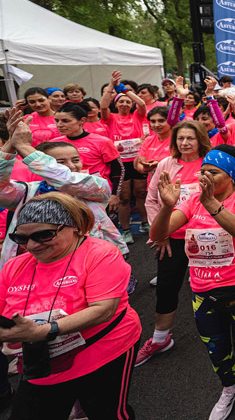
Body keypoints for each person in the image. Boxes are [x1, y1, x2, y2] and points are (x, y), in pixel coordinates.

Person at [149, 145, 235, 420]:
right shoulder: (192, 201)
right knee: (216, 349)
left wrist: (211, 203)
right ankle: (231, 385)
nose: (205, 177)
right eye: (203, 172)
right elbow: (159, 233)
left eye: (213, 172)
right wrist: (167, 207)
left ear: (231, 174)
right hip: (204, 292)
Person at [0, 193, 141, 419]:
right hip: (41, 364)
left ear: (74, 226)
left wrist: (43, 331)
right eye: (22, 239)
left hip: (100, 352)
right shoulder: (14, 267)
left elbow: (104, 309)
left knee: (107, 413)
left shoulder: (100, 254)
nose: (32, 246)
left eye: (44, 235)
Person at [0, 113, 128, 266]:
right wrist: (11, 144)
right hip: (38, 261)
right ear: (39, 166)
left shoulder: (95, 185)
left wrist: (24, 146)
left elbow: (65, 180)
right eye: (60, 162)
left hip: (89, 259)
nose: (72, 166)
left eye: (75, 159)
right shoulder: (29, 191)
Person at [137, 120, 212, 366]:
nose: (184, 143)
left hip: (205, 238)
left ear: (200, 139)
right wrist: (161, 234)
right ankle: (160, 338)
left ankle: (217, 330)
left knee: (210, 287)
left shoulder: (211, 163)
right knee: (167, 287)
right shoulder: (166, 164)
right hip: (172, 240)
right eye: (180, 139)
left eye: (190, 138)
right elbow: (151, 200)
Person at [100, 71, 148, 244]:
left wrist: (124, 90)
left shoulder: (138, 115)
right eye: (121, 101)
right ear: (116, 104)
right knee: (125, 198)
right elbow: (103, 107)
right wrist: (112, 86)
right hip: (120, 163)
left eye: (128, 101)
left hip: (138, 160)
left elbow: (141, 103)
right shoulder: (110, 118)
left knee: (141, 193)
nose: (125, 103)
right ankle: (126, 230)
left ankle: (145, 223)